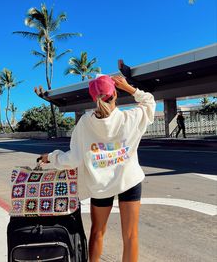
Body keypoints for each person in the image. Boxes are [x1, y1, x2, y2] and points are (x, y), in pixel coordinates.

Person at [41, 75, 156, 262]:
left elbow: (73, 158)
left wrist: (51, 157)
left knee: (97, 232)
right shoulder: (130, 118)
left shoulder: (86, 123)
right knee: (130, 236)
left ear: (94, 98)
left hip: (100, 186)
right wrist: (130, 88)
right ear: (115, 94)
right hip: (129, 181)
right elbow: (149, 102)